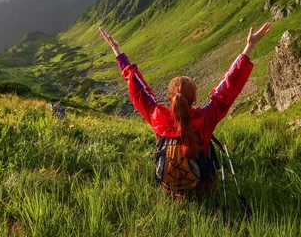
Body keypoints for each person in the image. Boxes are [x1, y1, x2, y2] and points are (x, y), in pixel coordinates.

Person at [99, 23, 271, 193]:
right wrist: (249, 47)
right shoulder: (205, 117)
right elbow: (227, 89)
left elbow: (137, 88)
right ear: (195, 99)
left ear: (169, 98)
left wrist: (118, 52)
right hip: (204, 189)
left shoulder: (157, 117)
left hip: (170, 189)